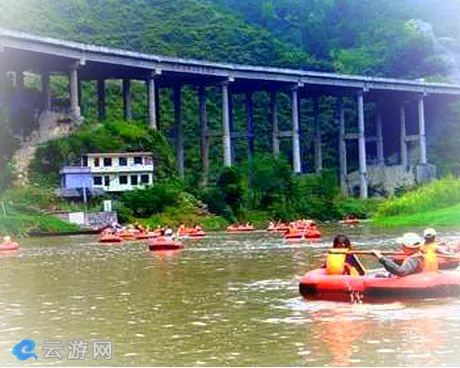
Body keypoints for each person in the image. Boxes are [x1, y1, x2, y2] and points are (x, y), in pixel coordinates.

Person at [373, 232, 438, 277]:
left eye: (403, 245)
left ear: (407, 247)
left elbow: (401, 271)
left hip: (419, 280)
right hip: (426, 276)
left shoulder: (413, 259)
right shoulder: (421, 254)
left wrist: (381, 258)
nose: (402, 247)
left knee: (377, 275)